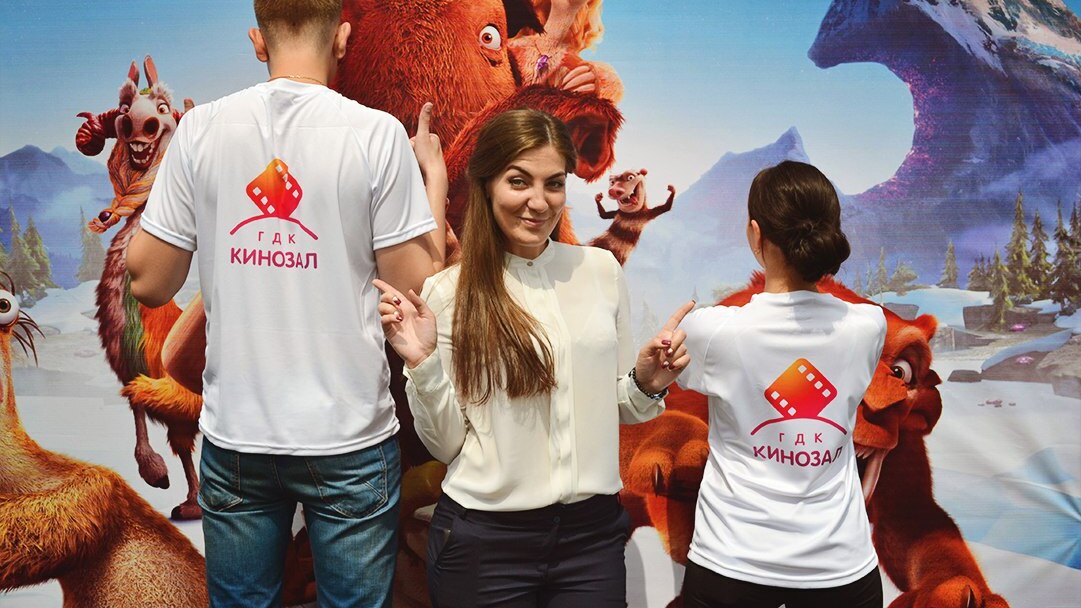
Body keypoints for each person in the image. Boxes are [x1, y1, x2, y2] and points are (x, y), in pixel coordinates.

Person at [126, 0, 447, 605]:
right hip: (350, 438)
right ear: (343, 38)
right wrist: (434, 178)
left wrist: (196, 200)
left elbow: (148, 282)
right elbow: (413, 287)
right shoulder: (376, 134)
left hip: (239, 437)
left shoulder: (201, 130)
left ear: (257, 41)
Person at [375, 108, 695, 608]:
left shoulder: (600, 271)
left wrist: (646, 382)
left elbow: (620, 406)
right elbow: (445, 443)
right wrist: (422, 365)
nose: (539, 202)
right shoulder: (448, 292)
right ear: (487, 185)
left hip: (591, 541)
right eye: (519, 181)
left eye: (554, 183)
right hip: (485, 545)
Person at [676, 160, 886, 607]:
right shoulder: (868, 325)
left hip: (731, 563)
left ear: (756, 235)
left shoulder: (711, 331)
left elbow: (666, 379)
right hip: (841, 569)